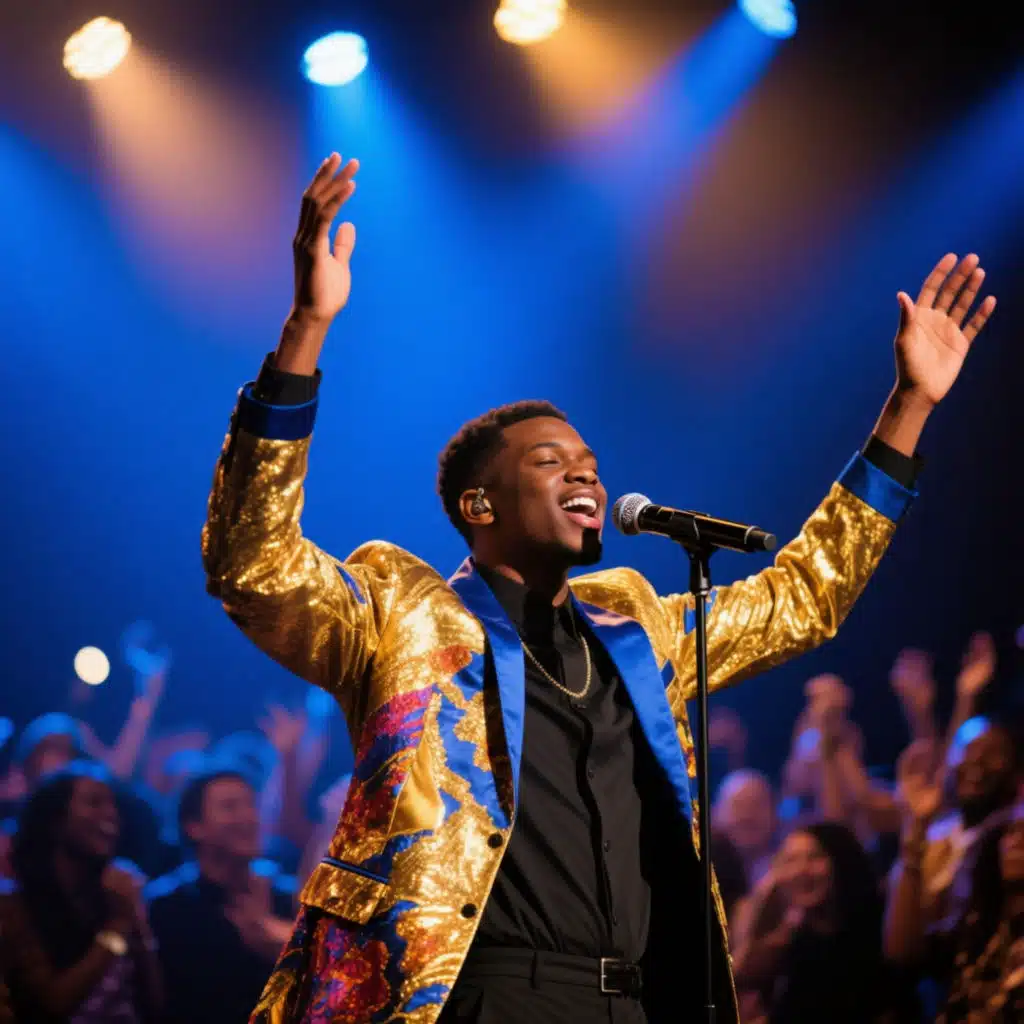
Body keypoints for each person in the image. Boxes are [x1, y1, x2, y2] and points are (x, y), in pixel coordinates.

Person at [201, 152, 997, 1024]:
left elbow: (806, 597)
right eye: (551, 463)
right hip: (476, 996)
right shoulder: (404, 614)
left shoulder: (635, 627)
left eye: (589, 462)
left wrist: (909, 408)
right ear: (479, 505)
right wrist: (306, 331)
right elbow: (253, 564)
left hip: (636, 1004)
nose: (585, 475)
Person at [0, 761, 162, 1022]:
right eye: (94, 803)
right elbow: (52, 1005)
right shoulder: (15, 907)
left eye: (113, 805)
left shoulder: (116, 896)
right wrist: (117, 927)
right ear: (55, 820)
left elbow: (156, 1005)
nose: (111, 814)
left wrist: (139, 925)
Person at [145, 765, 295, 1024]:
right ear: (194, 826)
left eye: (251, 805)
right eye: (230, 807)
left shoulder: (285, 897)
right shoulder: (168, 906)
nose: (248, 817)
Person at [731, 822, 890, 1023]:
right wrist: (764, 897)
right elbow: (737, 976)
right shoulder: (793, 937)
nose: (801, 871)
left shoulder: (879, 930)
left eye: (814, 858)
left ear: (841, 862)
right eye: (790, 861)